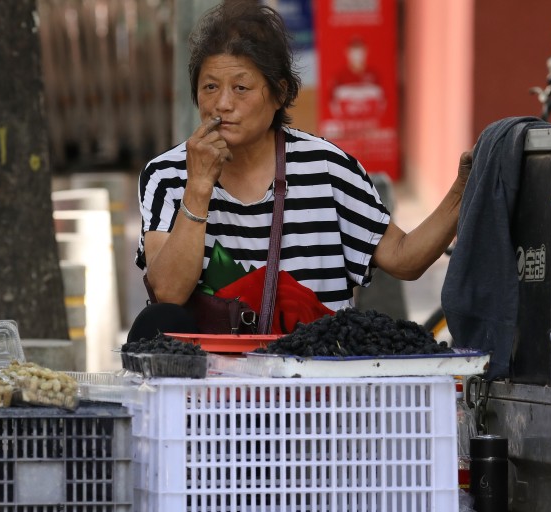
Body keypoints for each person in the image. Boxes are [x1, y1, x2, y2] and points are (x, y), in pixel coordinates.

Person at [130, 0, 471, 341]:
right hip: (207, 383)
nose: (222, 104)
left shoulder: (327, 168)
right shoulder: (167, 175)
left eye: (240, 88)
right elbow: (168, 295)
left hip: (315, 380)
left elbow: (403, 259)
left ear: (279, 93)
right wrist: (199, 186)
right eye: (210, 87)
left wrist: (462, 191)